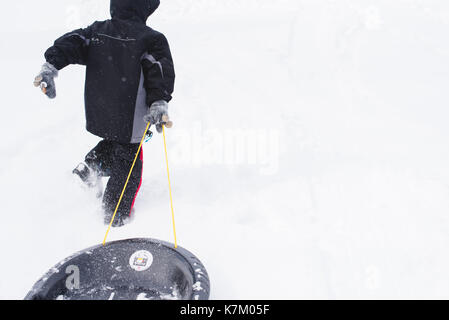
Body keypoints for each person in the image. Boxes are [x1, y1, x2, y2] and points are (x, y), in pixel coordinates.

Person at [33, 0, 175, 227]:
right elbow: (159, 71)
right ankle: (114, 216)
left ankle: (90, 167)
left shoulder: (97, 31)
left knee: (116, 141)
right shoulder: (151, 39)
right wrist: (159, 101)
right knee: (129, 163)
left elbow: (72, 43)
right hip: (130, 113)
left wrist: (50, 66)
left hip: (101, 111)